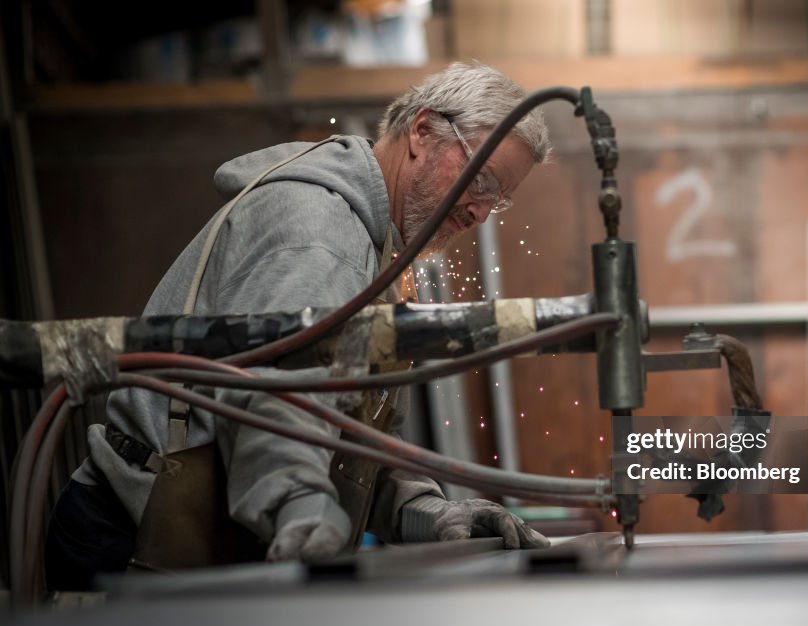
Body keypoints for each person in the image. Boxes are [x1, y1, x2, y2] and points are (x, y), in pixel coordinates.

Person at [45, 61, 552, 591]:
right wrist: (299, 505)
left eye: (500, 198)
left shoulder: (375, 250)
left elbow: (347, 431)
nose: (483, 213)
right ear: (422, 132)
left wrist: (427, 512)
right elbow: (273, 394)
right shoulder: (320, 230)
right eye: (483, 180)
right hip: (129, 541)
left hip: (198, 534)